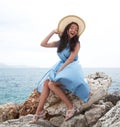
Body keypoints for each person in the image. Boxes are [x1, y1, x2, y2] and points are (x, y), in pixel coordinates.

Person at [30, 15, 90, 123]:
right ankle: (39, 111)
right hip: (62, 66)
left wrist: (60, 70)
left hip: (72, 68)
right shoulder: (60, 43)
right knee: (46, 83)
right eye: (72, 28)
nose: (74, 30)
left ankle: (70, 107)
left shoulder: (76, 43)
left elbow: (71, 59)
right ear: (67, 29)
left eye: (76, 29)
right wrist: (53, 32)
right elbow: (43, 44)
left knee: (51, 84)